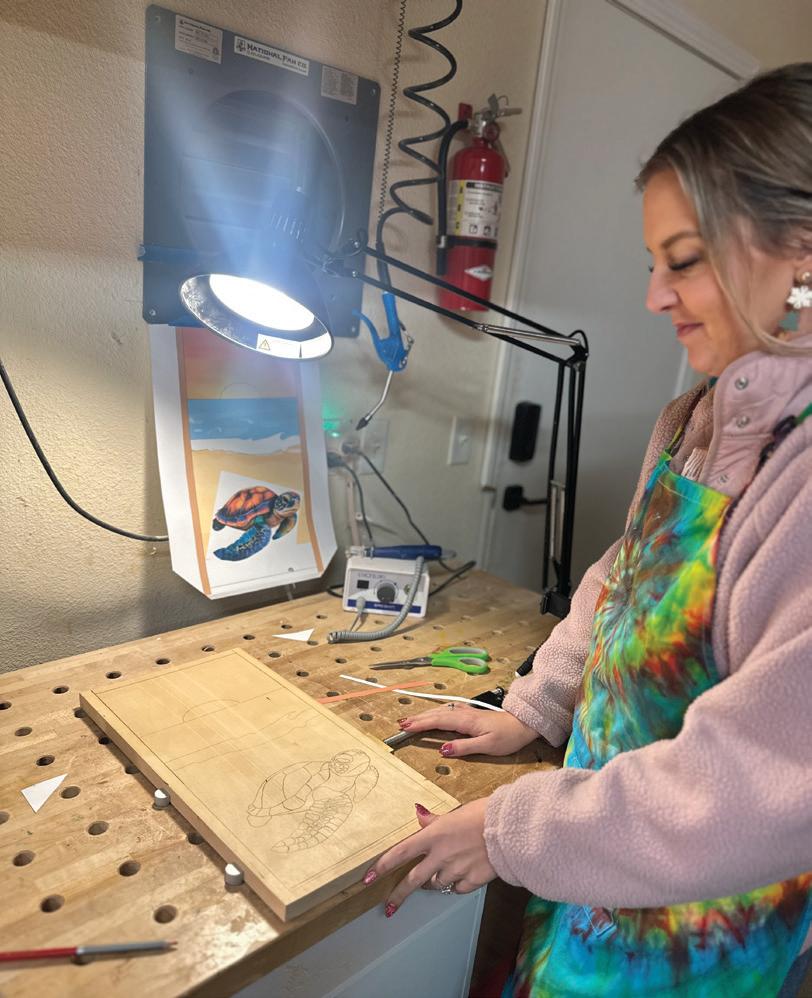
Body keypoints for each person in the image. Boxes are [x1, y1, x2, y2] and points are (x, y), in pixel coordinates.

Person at [362, 62, 812, 997]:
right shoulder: (696, 415)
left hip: (693, 927)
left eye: (683, 260)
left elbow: (757, 781)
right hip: (598, 845)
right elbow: (627, 576)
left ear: (802, 255)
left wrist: (510, 830)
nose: (655, 295)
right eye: (654, 262)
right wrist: (537, 706)